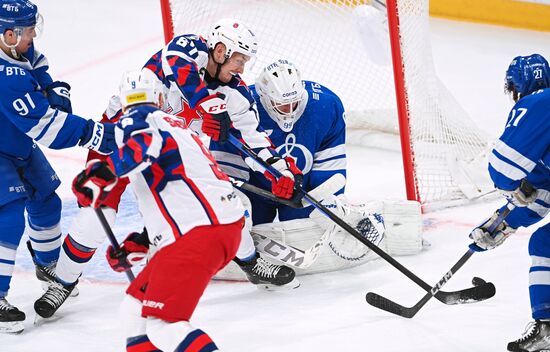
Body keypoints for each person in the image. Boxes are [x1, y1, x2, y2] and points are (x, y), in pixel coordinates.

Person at [35, 17, 300, 320]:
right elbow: (178, 65)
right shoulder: (189, 49)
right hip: (117, 140)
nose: (242, 69)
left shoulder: (235, 94)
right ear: (220, 49)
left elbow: (254, 141)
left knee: (221, 201)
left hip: (169, 154)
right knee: (96, 217)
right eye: (238, 59)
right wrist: (204, 103)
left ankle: (250, 263)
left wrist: (280, 172)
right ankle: (62, 283)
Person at [71, 69, 244, 352]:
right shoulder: (179, 128)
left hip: (199, 232)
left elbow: (143, 145)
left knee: (164, 325)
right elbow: (179, 191)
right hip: (215, 227)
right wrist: (143, 241)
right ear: (161, 96)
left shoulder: (140, 119)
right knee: (133, 313)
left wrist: (104, 172)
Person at [209, 59, 424, 274]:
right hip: (255, 185)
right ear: (265, 99)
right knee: (243, 228)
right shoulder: (239, 106)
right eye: (282, 105)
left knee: (307, 228)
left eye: (294, 103)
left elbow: (330, 162)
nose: (290, 110)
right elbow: (226, 168)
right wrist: (236, 204)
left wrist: (330, 198)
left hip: (300, 187)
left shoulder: (325, 105)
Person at [0, 0, 114, 333]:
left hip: (16, 144)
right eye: (29, 29)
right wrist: (91, 133)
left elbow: (39, 68)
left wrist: (54, 89)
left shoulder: (18, 48)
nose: (35, 33)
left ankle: (47, 265)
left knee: (46, 198)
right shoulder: (4, 78)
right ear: (8, 33)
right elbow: (45, 125)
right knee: (8, 215)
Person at [468, 53, 550, 352]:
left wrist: (510, 191)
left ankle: (548, 329)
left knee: (546, 245)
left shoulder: (538, 103)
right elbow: (542, 192)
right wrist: (503, 224)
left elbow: (503, 170)